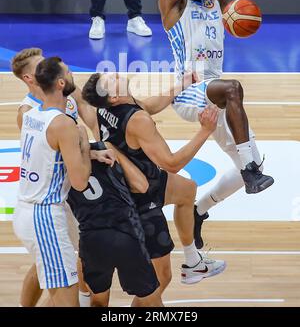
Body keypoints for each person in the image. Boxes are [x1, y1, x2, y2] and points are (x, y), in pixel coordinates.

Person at [158, 0, 274, 250]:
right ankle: (252, 174)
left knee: (250, 160)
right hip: (189, 90)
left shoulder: (213, 1)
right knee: (233, 88)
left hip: (214, 90)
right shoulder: (171, 3)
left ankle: (199, 210)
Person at [82, 72, 226, 289]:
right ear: (113, 97)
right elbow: (172, 163)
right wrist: (205, 131)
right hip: (140, 191)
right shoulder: (138, 121)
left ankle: (193, 261)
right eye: (110, 80)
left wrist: (181, 85)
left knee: (187, 190)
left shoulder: (107, 107)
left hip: (130, 177)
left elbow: (146, 105)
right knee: (159, 280)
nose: (115, 74)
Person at [11, 47, 100, 307]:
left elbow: (83, 108)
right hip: (49, 201)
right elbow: (58, 157)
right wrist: (82, 143)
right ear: (31, 78)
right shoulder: (27, 112)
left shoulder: (62, 97)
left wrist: (97, 147)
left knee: (75, 255)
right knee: (48, 269)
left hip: (56, 197)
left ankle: (80, 298)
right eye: (41, 66)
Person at [68, 141, 163, 307]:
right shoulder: (103, 149)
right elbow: (141, 186)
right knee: (152, 302)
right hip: (126, 235)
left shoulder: (59, 165)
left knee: (98, 302)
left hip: (92, 239)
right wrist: (116, 151)